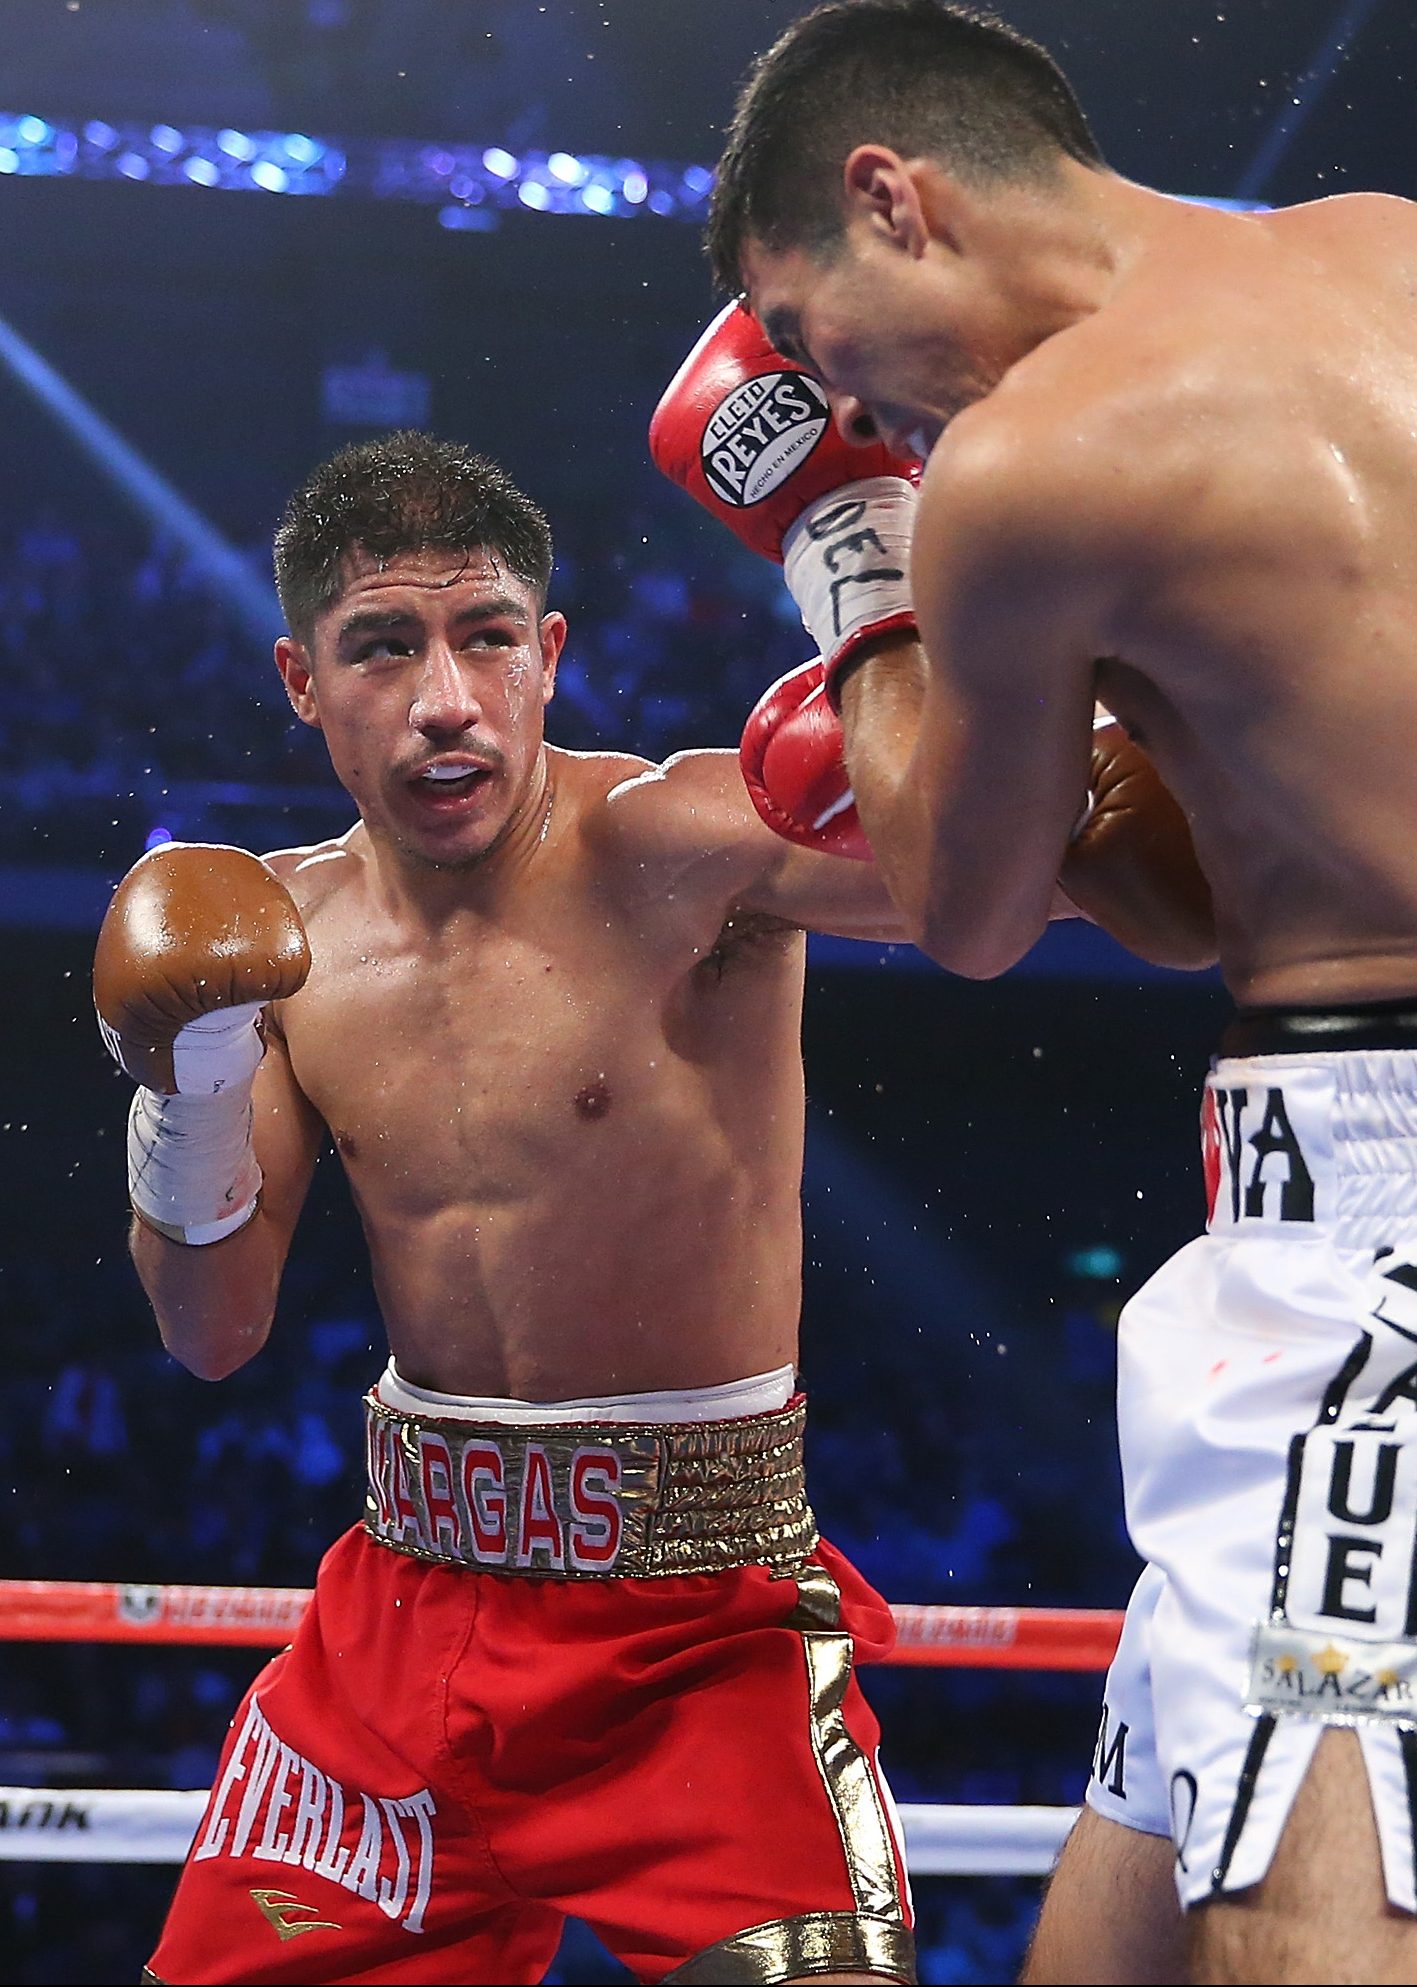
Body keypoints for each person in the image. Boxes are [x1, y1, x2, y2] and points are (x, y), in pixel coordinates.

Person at [95, 431, 1205, 1986]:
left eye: (486, 639)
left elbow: (1073, 872)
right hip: (398, 1635)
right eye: (383, 649)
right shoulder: (279, 945)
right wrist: (188, 1085)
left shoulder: (684, 847)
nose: (444, 702)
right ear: (300, 678)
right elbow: (211, 1333)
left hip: (700, 1641)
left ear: (548, 655)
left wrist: (979, 639)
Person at [653, 0, 1417, 1979]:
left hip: (1370, 1203)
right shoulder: (1386, 245)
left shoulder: (1027, 468)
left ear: (888, 199)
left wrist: (845, 551)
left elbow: (965, 911)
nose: (855, 407)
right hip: (1327, 1149)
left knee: (1305, 1902)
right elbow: (1187, 893)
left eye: (818, 344)